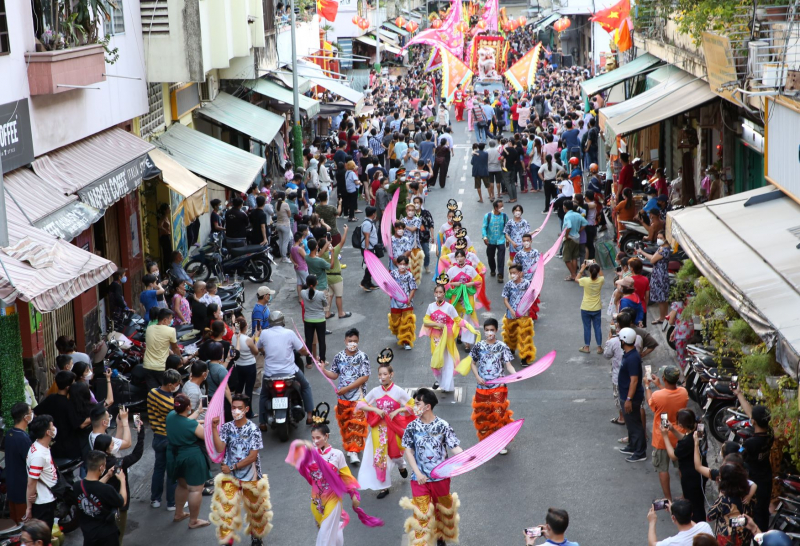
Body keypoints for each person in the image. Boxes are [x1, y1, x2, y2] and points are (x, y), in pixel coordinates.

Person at [400, 388, 463, 546]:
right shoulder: (412, 427)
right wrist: (417, 472)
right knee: (421, 515)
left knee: (441, 511)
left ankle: (440, 538)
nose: (414, 406)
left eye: (417, 403)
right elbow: (408, 450)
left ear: (427, 406)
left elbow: (454, 447)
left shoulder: (443, 426)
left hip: (441, 478)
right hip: (419, 480)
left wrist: (468, 458)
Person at [209, 394, 273, 546]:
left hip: (251, 476)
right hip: (231, 477)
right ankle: (227, 539)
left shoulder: (253, 430)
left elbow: (252, 457)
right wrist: (213, 428)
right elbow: (220, 448)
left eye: (239, 408)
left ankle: (257, 537)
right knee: (226, 509)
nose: (236, 411)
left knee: (254, 510)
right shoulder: (226, 427)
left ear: (246, 409)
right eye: (233, 407)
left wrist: (231, 467)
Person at [286, 425, 361, 546]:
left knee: (325, 534)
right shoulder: (309, 454)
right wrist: (304, 445)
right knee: (331, 530)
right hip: (316, 500)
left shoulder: (337, 454)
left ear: (326, 436)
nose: (315, 441)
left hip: (333, 498)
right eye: (312, 438)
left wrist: (353, 494)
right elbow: (298, 461)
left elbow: (346, 476)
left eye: (318, 437)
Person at [358, 352, 413, 499]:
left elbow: (412, 405)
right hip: (379, 429)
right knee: (380, 456)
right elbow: (361, 404)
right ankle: (383, 487)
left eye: (384, 374)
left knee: (395, 454)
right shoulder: (375, 392)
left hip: (394, 426)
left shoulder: (398, 391)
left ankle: (401, 466)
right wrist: (375, 409)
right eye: (379, 374)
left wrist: (399, 410)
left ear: (391, 375)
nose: (382, 377)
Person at [256, 311, 314, 428]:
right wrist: (306, 353)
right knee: (306, 386)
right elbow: (302, 349)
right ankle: (309, 416)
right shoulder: (289, 333)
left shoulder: (264, 334)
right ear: (282, 321)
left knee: (264, 394)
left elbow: (258, 347)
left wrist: (264, 352)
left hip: (270, 374)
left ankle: (262, 422)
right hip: (289, 372)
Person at [323, 328, 371, 465]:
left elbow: (365, 377)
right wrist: (323, 370)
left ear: (358, 341)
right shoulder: (339, 357)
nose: (352, 343)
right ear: (345, 341)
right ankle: (351, 447)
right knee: (346, 425)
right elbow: (334, 374)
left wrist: (347, 389)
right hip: (343, 399)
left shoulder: (363, 357)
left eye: (355, 341)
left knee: (357, 423)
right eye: (350, 341)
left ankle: (354, 451)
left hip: (358, 397)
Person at [469, 318, 516, 449]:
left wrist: (516, 374)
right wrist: (477, 377)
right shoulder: (478, 346)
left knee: (498, 415)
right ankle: (486, 441)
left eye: (492, 330)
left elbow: (509, 365)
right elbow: (472, 363)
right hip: (482, 387)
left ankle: (501, 443)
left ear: (496, 330)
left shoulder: (502, 346)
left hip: (499, 388)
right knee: (483, 414)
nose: (489, 332)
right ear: (484, 331)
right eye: (487, 330)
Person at [645, 365, 689, 502]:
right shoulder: (683, 392)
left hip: (662, 436)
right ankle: (685, 495)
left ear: (664, 378)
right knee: (681, 467)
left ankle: (668, 499)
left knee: (663, 468)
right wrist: (659, 384)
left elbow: (651, 403)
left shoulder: (658, 395)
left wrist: (648, 387)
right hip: (679, 434)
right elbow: (670, 395)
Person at [421, 280, 473, 395]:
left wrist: (469, 327)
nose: (438, 294)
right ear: (434, 293)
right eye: (437, 292)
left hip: (447, 337)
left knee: (448, 360)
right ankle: (438, 380)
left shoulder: (449, 307)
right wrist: (437, 324)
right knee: (436, 360)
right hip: (435, 338)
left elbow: (457, 320)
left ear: (444, 294)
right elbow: (425, 320)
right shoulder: (430, 307)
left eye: (441, 292)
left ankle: (447, 384)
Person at [166, 393, 210, 529]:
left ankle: (178, 514)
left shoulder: (171, 416)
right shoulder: (191, 425)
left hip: (175, 455)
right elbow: (205, 436)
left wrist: (198, 411)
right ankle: (194, 521)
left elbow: (185, 421)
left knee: (182, 485)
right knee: (195, 489)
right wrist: (211, 425)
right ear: (188, 407)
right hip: (191, 457)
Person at [732, 389, 773, 531]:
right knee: (764, 512)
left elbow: (738, 455)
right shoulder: (770, 434)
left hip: (755, 481)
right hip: (766, 478)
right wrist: (739, 394)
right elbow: (751, 414)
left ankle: (758, 537)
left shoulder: (751, 443)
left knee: (757, 515)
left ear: (753, 422)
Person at [660, 409, 707, 523]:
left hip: (691, 476)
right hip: (701, 471)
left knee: (694, 504)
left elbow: (673, 455)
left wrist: (665, 436)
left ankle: (696, 525)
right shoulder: (699, 428)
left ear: (681, 425)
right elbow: (686, 438)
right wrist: (672, 430)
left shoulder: (686, 443)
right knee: (698, 501)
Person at [74, 450, 126, 546]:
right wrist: (122, 480)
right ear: (101, 467)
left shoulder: (77, 486)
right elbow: (122, 501)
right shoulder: (106, 489)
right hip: (107, 536)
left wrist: (107, 475)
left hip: (88, 534)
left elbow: (93, 487)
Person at [147, 368, 181, 510]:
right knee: (172, 471)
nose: (178, 385)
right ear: (170, 385)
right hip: (169, 438)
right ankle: (171, 503)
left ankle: (155, 499)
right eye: (177, 383)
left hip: (157, 437)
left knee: (159, 469)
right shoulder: (170, 403)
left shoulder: (152, 393)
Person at [34, 371, 88, 459]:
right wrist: (95, 416)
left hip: (53, 444)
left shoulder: (51, 398)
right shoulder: (69, 404)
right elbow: (80, 424)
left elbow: (35, 413)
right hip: (69, 448)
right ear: (68, 387)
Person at [617, 327, 647, 462]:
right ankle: (632, 446)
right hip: (626, 395)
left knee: (635, 425)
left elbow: (634, 381)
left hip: (631, 397)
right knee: (630, 423)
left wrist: (629, 399)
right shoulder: (629, 355)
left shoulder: (633, 358)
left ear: (623, 341)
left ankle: (640, 452)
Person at [25, 415, 59, 530]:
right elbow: (31, 483)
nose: (54, 428)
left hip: (47, 499)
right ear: (48, 432)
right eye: (52, 426)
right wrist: (29, 508)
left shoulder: (39, 446)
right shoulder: (38, 455)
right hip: (43, 504)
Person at [707, 463, 755, 545]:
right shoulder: (749, 495)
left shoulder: (723, 500)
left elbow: (709, 517)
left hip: (729, 539)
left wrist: (729, 522)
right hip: (745, 535)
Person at [502, 264, 537, 367]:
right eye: (511, 273)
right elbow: (505, 299)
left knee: (524, 336)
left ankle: (525, 357)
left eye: (514, 273)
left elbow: (531, 298)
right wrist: (511, 310)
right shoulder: (508, 285)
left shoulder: (527, 284)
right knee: (511, 333)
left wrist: (526, 310)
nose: (513, 275)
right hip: (510, 314)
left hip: (524, 314)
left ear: (520, 273)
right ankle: (511, 348)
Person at [5, 402, 33, 523]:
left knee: (15, 522)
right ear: (25, 417)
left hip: (12, 487)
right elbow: (31, 462)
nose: (32, 414)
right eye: (30, 412)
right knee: (23, 525)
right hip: (22, 489)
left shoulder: (9, 434)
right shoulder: (23, 438)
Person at [646, 499, 713, 546]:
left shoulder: (673, 542)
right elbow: (691, 522)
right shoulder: (705, 526)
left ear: (673, 518)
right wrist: (674, 511)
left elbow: (652, 544)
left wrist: (652, 522)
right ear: (691, 514)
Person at [143, 308, 181, 390]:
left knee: (153, 392)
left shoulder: (149, 328)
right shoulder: (171, 330)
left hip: (147, 366)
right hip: (161, 367)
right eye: (170, 319)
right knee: (166, 391)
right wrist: (180, 359)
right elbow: (175, 348)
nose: (171, 321)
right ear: (164, 320)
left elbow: (160, 346)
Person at [639, 232, 671, 324]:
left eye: (660, 237)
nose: (658, 239)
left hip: (660, 275)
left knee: (661, 299)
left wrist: (642, 252)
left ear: (665, 238)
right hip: (660, 274)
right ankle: (664, 316)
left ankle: (662, 318)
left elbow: (652, 260)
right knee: (663, 298)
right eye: (658, 237)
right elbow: (653, 257)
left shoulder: (663, 250)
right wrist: (642, 252)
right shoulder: (663, 248)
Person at [388, 255, 418, 350]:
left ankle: (406, 341)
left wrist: (409, 298)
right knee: (395, 320)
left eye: (404, 264)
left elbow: (413, 288)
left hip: (407, 302)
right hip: (395, 301)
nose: (402, 266)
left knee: (407, 321)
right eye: (400, 264)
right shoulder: (393, 274)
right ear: (397, 264)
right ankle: (398, 332)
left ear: (407, 265)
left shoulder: (409, 275)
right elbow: (388, 285)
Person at [231, 316, 259, 415]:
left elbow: (245, 342)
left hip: (239, 366)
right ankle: (249, 412)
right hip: (250, 366)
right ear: (245, 327)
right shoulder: (248, 340)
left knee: (238, 389)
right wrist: (256, 337)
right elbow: (255, 351)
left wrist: (254, 336)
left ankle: (236, 408)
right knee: (248, 390)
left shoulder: (234, 337)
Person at [301, 274, 329, 368]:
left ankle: (309, 362)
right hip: (320, 319)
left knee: (308, 341)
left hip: (308, 319)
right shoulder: (320, 294)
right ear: (316, 283)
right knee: (322, 340)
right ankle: (322, 361)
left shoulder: (303, 293)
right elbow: (325, 304)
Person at [576, 262, 604, 353]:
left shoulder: (585, 280)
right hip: (597, 308)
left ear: (590, 272)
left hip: (585, 307)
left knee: (587, 327)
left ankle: (587, 347)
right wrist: (596, 264)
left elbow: (576, 279)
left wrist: (582, 268)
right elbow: (601, 274)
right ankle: (599, 347)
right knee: (597, 327)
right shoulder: (600, 280)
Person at [482, 200, 508, 282]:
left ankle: (500, 274)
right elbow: (484, 227)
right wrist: (485, 237)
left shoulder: (504, 216)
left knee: (501, 258)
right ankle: (492, 269)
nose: (502, 208)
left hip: (501, 240)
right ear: (495, 208)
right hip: (491, 240)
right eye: (500, 207)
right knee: (490, 256)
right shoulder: (488, 216)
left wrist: (507, 239)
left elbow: (507, 228)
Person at [562, 200, 588, 281]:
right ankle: (575, 274)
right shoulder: (577, 214)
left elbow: (569, 227)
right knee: (574, 257)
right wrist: (579, 231)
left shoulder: (567, 216)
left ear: (565, 207)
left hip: (570, 239)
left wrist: (566, 236)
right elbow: (585, 223)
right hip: (577, 238)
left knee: (566, 258)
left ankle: (573, 275)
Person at [359, 206, 380, 291]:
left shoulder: (369, 222)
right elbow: (367, 237)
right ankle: (364, 283)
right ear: (373, 214)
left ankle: (368, 282)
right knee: (369, 267)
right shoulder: (367, 224)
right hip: (369, 248)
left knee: (371, 267)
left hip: (371, 247)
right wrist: (367, 249)